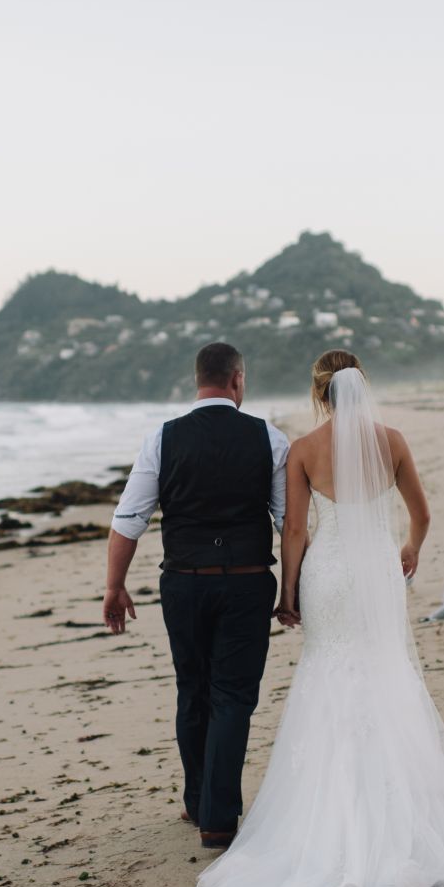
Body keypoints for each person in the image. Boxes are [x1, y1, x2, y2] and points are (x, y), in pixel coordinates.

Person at [182, 349, 444, 887]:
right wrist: (409, 548)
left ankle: (321, 819)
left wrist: (287, 593)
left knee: (327, 672)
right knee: (384, 668)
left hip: (328, 573)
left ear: (320, 395)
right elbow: (422, 514)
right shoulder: (394, 441)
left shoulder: (304, 450)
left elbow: (293, 532)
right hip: (377, 572)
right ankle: (401, 809)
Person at [103, 342, 289, 850]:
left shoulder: (162, 439)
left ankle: (197, 799)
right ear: (238, 380)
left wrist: (115, 585)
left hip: (184, 582)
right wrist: (291, 589)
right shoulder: (269, 438)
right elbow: (288, 522)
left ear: (197, 380)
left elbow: (129, 519)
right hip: (248, 582)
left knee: (193, 688)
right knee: (233, 697)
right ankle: (219, 816)